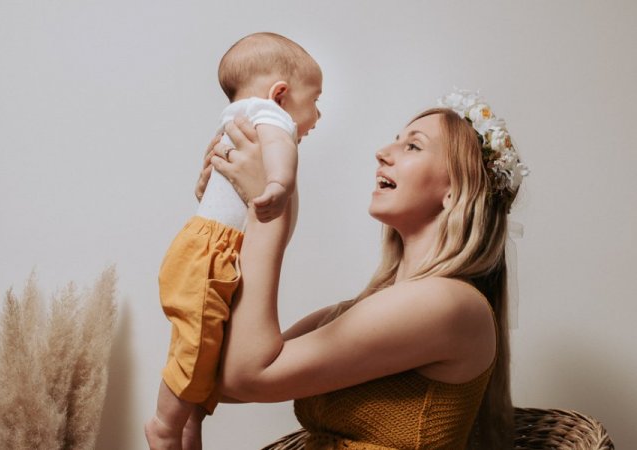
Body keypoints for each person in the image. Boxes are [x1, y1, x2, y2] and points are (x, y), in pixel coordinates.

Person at [201, 89, 528, 449]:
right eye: (396, 140)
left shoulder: (451, 303)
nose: (382, 153)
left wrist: (267, 215)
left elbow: (245, 376)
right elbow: (214, 379)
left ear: (455, 190)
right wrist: (234, 206)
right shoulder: (362, 309)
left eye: (413, 146)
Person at [146, 32, 322, 450]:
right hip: (213, 252)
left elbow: (209, 179)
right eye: (315, 100)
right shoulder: (269, 117)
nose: (318, 115)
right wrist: (278, 183)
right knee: (195, 347)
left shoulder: (236, 119)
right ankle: (163, 426)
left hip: (210, 249)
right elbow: (281, 147)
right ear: (280, 94)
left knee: (205, 355)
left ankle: (186, 428)